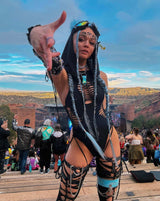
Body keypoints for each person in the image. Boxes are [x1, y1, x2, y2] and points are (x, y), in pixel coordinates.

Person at [27, 11, 121, 201]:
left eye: (92, 42)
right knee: (65, 196)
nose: (87, 44)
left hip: (109, 138)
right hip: (81, 141)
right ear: (72, 41)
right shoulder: (62, 75)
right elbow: (47, 56)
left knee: (108, 196)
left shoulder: (101, 77)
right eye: (82, 39)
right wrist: (36, 34)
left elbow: (103, 110)